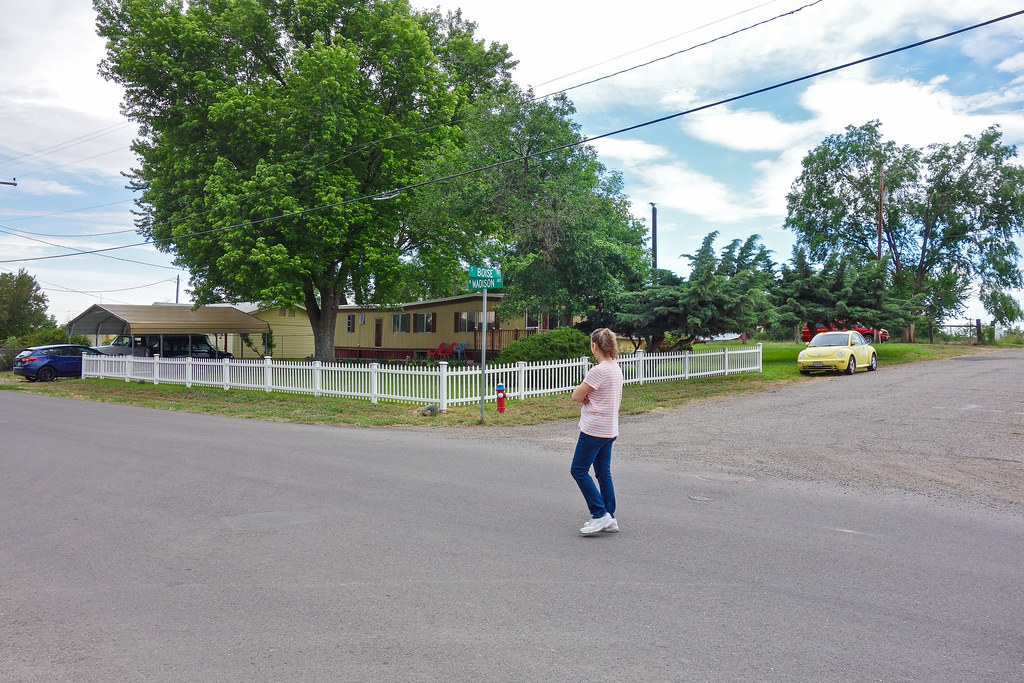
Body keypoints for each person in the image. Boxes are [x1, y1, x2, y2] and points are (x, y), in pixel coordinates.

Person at [570, 328, 624, 535]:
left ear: (594, 346)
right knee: (603, 473)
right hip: (609, 429)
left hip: (593, 430)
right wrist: (587, 396)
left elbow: (576, 395)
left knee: (578, 470)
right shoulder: (615, 368)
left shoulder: (598, 371)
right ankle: (610, 517)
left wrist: (585, 397)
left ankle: (600, 514)